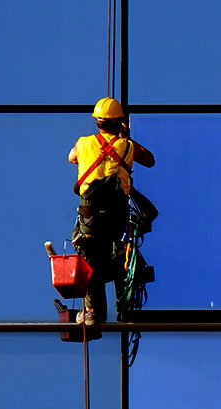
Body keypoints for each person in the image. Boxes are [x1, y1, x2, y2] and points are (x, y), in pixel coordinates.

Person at [66, 97, 155, 326]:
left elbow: (71, 157)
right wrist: (124, 139)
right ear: (120, 123)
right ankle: (124, 311)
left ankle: (93, 312)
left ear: (97, 123)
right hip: (117, 214)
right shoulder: (127, 146)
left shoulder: (84, 143)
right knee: (120, 258)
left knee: (89, 256)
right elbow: (149, 159)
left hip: (90, 214)